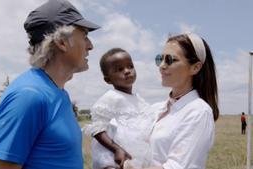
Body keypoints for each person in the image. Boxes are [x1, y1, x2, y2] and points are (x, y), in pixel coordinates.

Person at [0, 0, 99, 169]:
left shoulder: (60, 93)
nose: (91, 46)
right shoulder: (29, 95)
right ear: (62, 42)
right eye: (85, 36)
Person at [128, 33, 219, 169]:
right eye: (160, 59)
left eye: (170, 60)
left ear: (195, 67)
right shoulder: (157, 109)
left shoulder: (199, 112)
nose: (162, 66)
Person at [83, 48, 153, 169]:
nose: (127, 71)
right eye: (119, 69)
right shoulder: (111, 97)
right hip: (113, 159)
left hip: (134, 159)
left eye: (130, 66)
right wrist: (116, 149)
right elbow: (98, 129)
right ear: (108, 79)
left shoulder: (140, 100)